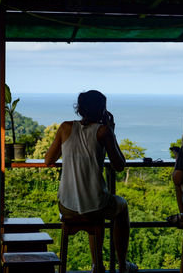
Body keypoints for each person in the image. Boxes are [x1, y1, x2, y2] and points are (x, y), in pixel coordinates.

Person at [44, 90, 137, 273]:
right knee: (121, 206)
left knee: (92, 205)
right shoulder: (103, 131)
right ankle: (122, 264)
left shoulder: (65, 128)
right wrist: (112, 132)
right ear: (103, 110)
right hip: (95, 206)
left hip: (66, 206)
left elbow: (48, 160)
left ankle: (97, 264)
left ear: (80, 109)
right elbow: (119, 165)